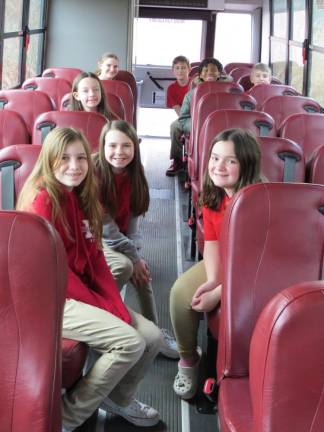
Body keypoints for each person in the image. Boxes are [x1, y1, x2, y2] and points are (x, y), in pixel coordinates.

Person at [16, 127, 162, 431]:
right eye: (64, 158)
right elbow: (54, 271)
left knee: (151, 337)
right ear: (49, 160)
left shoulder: (81, 195)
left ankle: (117, 398)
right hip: (49, 298)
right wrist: (101, 304)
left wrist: (112, 302)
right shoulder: (44, 199)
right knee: (129, 343)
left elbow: (94, 256)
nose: (74, 165)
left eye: (81, 157)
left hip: (74, 290)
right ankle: (66, 419)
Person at [170, 128, 262, 399]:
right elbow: (211, 242)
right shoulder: (213, 195)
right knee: (180, 295)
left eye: (230, 161)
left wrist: (220, 293)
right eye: (215, 157)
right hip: (227, 262)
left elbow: (254, 263)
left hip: (256, 273)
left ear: (246, 165)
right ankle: (188, 359)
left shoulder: (258, 203)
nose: (218, 166)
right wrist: (212, 279)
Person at [93, 120, 179, 359]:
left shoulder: (134, 174)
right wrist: (134, 258)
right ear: (102, 146)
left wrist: (137, 255)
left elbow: (132, 224)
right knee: (128, 266)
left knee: (141, 273)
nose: (119, 152)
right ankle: (108, 325)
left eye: (126, 146)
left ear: (135, 148)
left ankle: (155, 334)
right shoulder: (94, 174)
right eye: (112, 146)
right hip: (93, 238)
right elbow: (106, 230)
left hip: (115, 239)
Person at [166, 58, 231, 176]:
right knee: (175, 126)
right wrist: (197, 126)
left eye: (213, 70)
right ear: (200, 75)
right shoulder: (192, 94)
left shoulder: (229, 93)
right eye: (205, 71)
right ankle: (177, 160)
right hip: (195, 122)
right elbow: (183, 117)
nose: (209, 73)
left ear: (220, 74)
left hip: (220, 124)